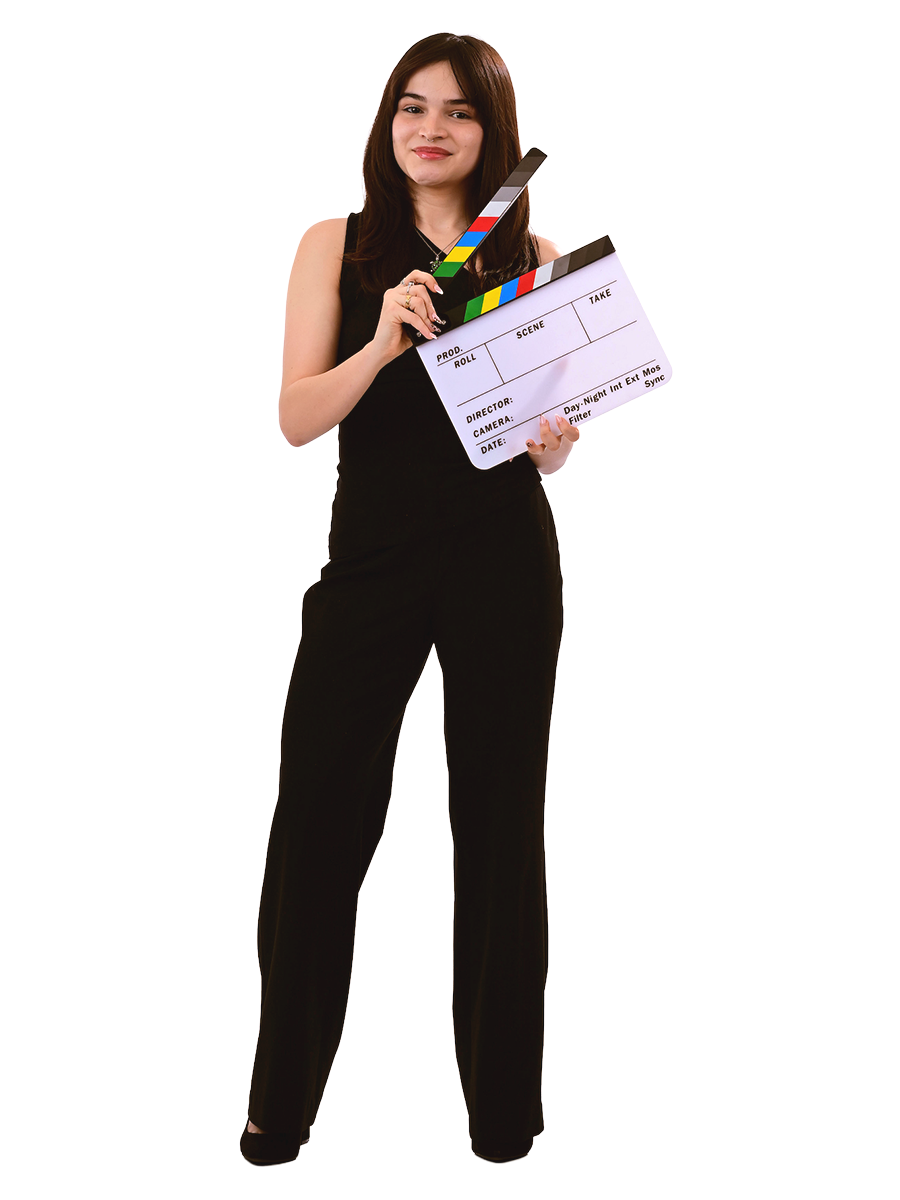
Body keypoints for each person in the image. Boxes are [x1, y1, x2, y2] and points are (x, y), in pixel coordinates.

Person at [240, 31, 581, 1167]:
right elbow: (297, 416)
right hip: (371, 567)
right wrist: (384, 336)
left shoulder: (530, 252)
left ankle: (501, 1121)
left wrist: (553, 437)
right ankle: (276, 1109)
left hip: (502, 560)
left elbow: (541, 442)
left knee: (497, 831)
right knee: (319, 832)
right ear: (387, 124)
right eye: (410, 107)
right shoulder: (334, 248)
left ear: (492, 130)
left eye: (459, 112)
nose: (430, 128)